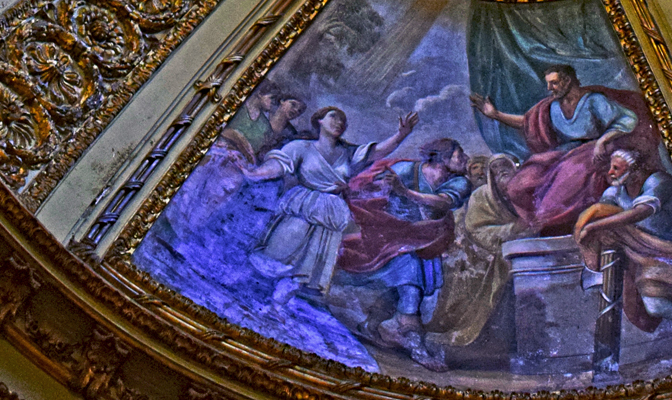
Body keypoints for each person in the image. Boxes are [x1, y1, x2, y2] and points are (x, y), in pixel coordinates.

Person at [227, 106, 420, 309]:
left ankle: (277, 305)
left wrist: (401, 135)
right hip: (305, 206)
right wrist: (254, 174)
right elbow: (278, 165)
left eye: (343, 121)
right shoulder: (301, 147)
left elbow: (378, 151)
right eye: (334, 117)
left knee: (308, 266)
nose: (339, 122)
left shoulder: (347, 153)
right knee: (280, 249)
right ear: (319, 120)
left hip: (331, 214)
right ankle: (241, 291)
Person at [574, 150, 672, 372]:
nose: (610, 173)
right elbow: (603, 212)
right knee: (655, 305)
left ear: (636, 169)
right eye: (611, 167)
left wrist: (596, 225)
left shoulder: (659, 181)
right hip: (648, 256)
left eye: (617, 168)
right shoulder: (614, 191)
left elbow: (641, 212)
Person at [471, 66, 656, 233]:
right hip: (564, 153)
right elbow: (527, 122)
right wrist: (495, 115)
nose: (549, 88)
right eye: (549, 84)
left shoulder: (594, 101)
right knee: (519, 186)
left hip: (595, 152)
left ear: (568, 80)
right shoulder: (551, 107)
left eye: (554, 83)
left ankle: (553, 223)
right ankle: (537, 223)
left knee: (559, 191)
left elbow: (627, 119)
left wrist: (602, 141)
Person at [342, 139, 473, 368]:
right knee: (410, 285)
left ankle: (370, 325)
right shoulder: (407, 169)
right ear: (442, 158)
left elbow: (442, 203)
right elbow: (373, 190)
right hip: (396, 237)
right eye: (459, 154)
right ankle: (415, 345)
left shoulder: (460, 182)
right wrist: (382, 192)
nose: (465, 159)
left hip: (429, 239)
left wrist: (405, 192)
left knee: (407, 287)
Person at [428, 154, 531, 350]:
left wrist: (525, 230)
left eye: (506, 172)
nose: (503, 178)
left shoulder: (525, 195)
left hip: (517, 249)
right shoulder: (481, 196)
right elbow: (475, 230)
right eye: (498, 174)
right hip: (480, 249)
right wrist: (512, 229)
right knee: (473, 273)